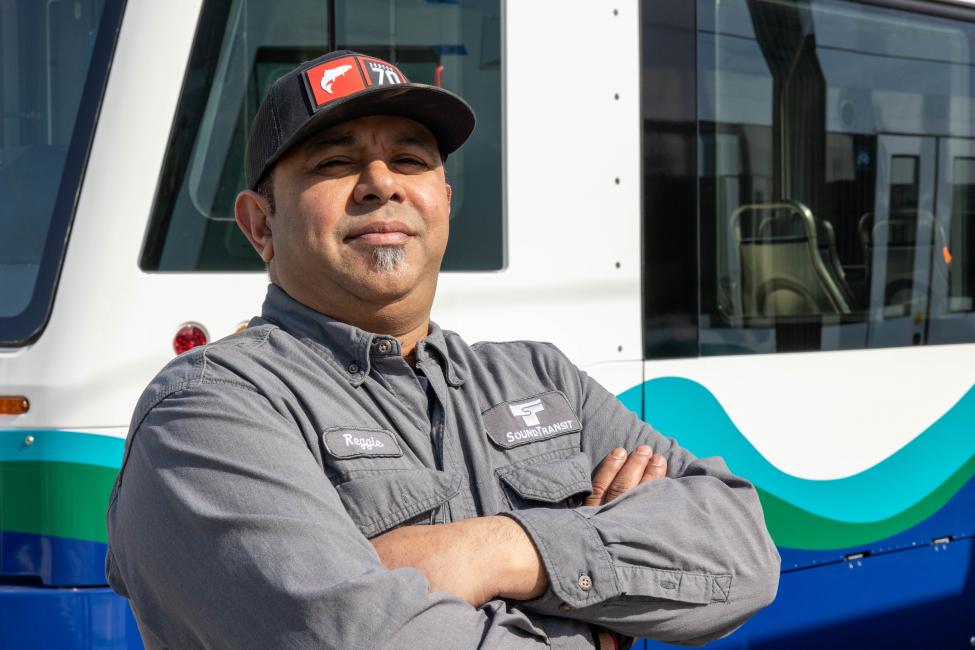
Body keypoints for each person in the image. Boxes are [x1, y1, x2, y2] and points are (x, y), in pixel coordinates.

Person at [106, 50, 779, 649]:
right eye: (336, 162)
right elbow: (347, 637)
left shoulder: (542, 377)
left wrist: (499, 549)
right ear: (260, 225)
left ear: (443, 203)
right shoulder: (206, 411)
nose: (381, 182)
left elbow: (744, 554)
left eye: (410, 159)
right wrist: (596, 616)